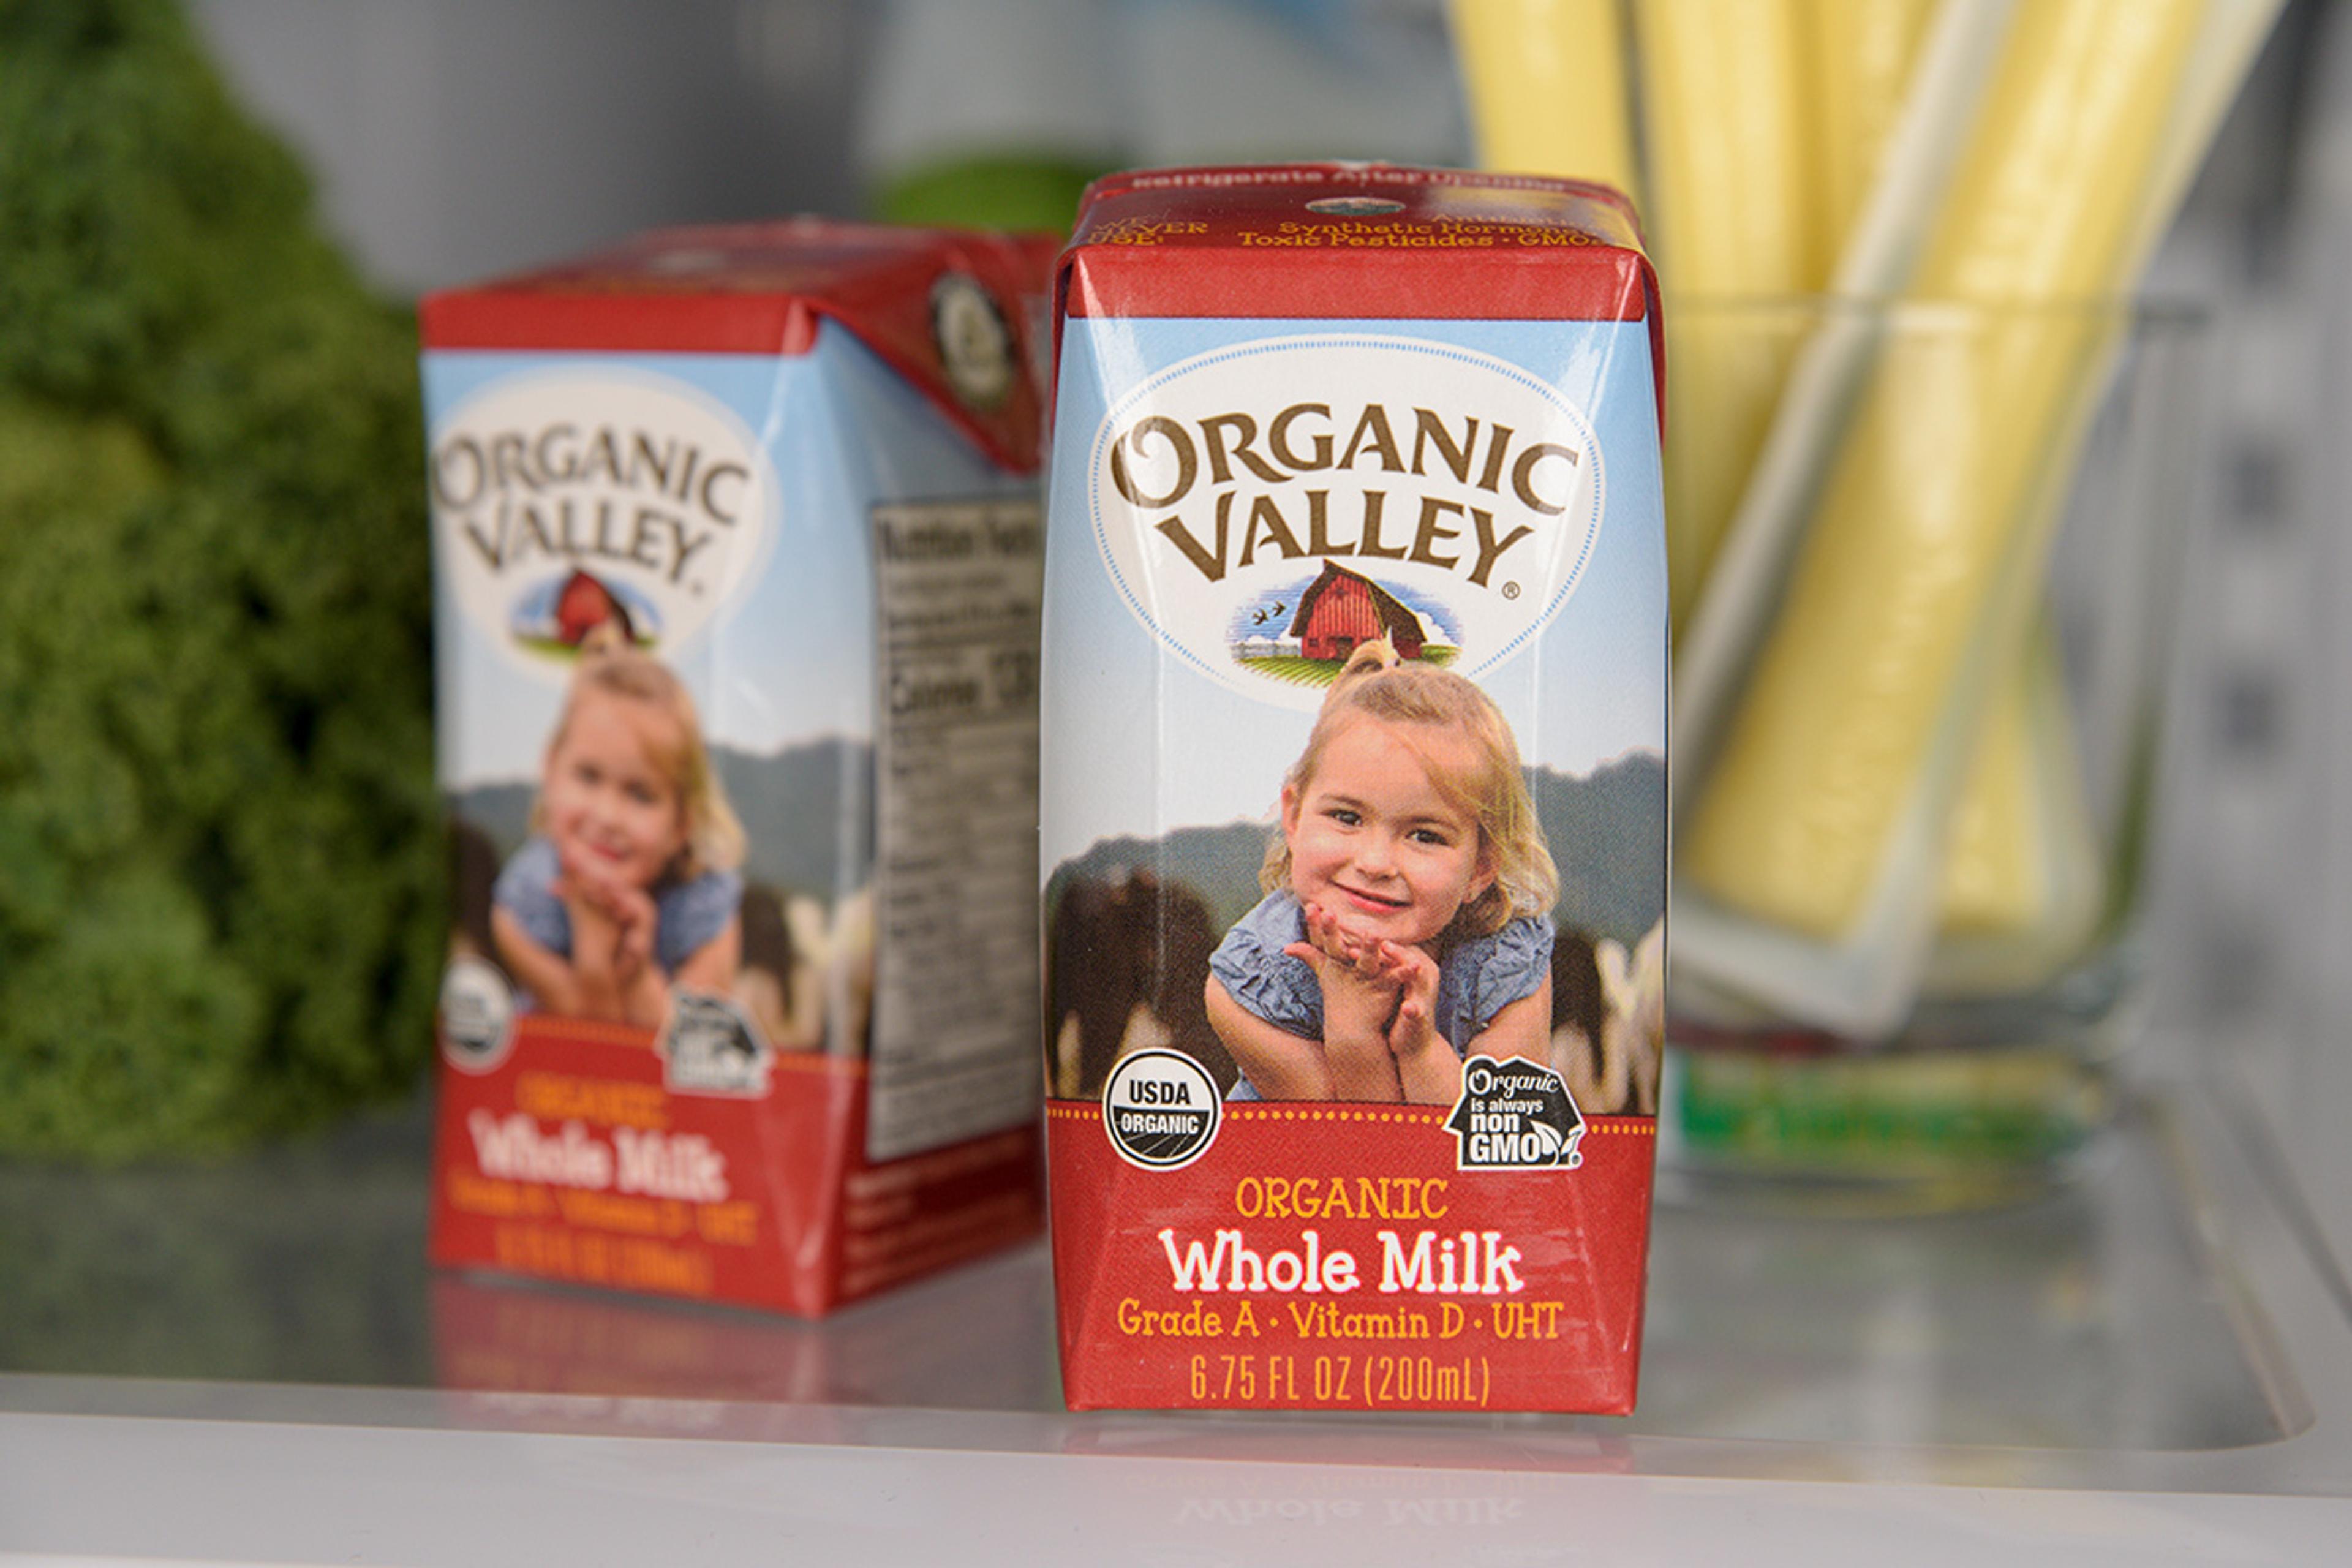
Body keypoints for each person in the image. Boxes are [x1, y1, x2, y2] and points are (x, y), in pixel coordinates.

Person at [1206, 639, 1557, 1104]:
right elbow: (1357, 1151)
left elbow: (1489, 1146)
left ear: (1481, 867)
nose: (1374, 864)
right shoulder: (1250, 981)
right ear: (1292, 817)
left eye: (1425, 836)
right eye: (1347, 818)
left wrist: (1421, 1049)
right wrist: (1353, 1031)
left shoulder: (1507, 964)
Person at [491, 627, 745, 1028]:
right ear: (551, 769)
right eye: (588, 777)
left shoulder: (705, 908)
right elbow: (593, 1049)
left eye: (641, 795)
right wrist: (594, 942)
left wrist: (637, 972)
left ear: (682, 823)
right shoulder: (523, 905)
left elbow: (683, 1055)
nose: (608, 816)